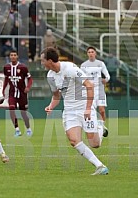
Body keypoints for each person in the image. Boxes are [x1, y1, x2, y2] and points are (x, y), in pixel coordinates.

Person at [40, 47, 109, 175]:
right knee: (73, 140)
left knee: (95, 144)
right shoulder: (50, 76)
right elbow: (56, 96)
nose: (41, 63)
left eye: (43, 60)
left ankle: (99, 126)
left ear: (49, 60)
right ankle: (100, 166)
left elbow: (89, 85)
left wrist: (88, 108)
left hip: (83, 106)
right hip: (69, 110)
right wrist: (50, 106)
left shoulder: (70, 69)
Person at [0, 50, 33, 137]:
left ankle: (28, 129)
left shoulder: (23, 67)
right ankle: (17, 130)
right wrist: (3, 90)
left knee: (23, 113)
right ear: (9, 57)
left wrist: (28, 87)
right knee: (11, 108)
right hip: (12, 93)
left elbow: (30, 79)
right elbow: (6, 79)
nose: (13, 56)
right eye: (11, 55)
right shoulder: (6, 67)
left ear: (17, 56)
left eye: (15, 55)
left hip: (22, 94)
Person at [81, 47, 110, 137]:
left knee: (102, 110)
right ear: (87, 54)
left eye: (92, 52)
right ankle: (94, 128)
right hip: (90, 90)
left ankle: (101, 126)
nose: (90, 53)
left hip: (100, 89)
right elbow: (81, 78)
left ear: (95, 53)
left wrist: (106, 80)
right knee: (92, 111)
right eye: (89, 52)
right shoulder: (83, 65)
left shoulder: (100, 64)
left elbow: (107, 75)